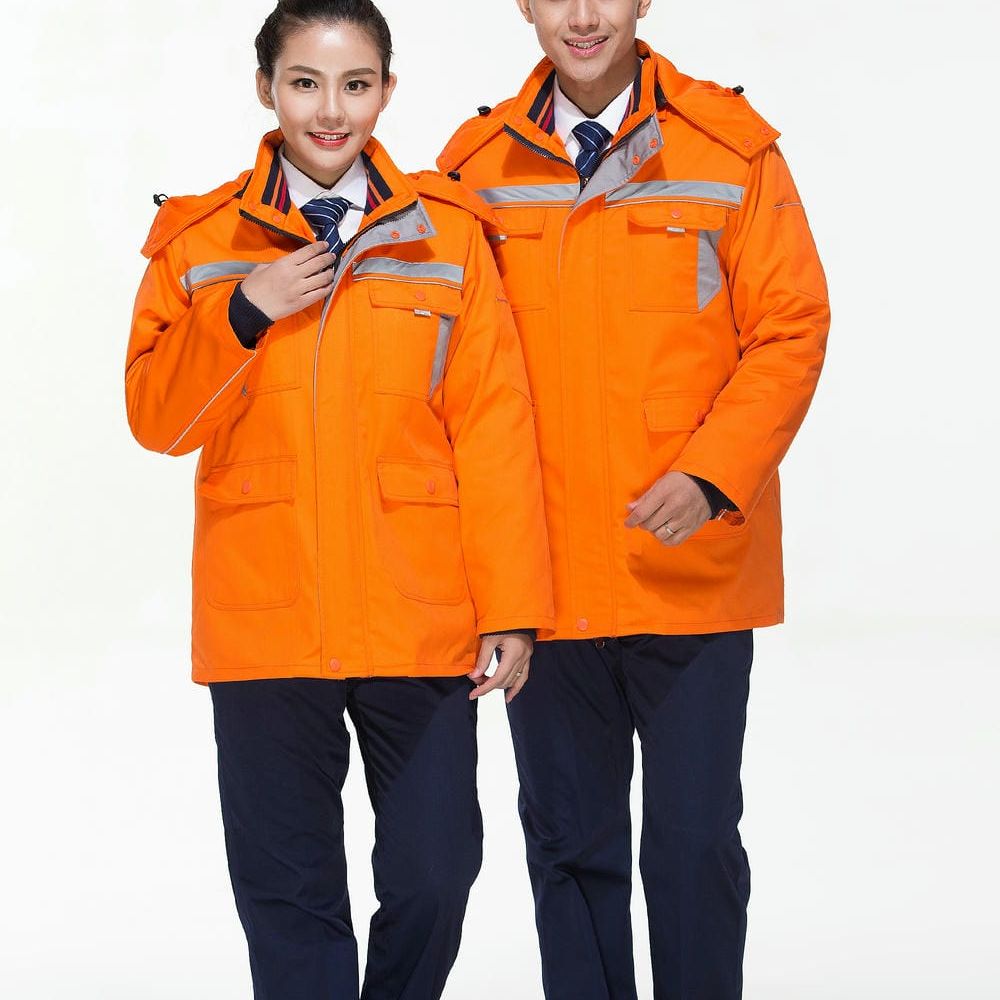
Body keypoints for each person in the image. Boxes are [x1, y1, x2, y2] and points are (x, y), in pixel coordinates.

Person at [125, 1, 554, 997]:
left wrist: (512, 607)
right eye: (306, 84)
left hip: (418, 611)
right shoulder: (201, 242)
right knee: (289, 894)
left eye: (355, 85)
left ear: (386, 91)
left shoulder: (446, 237)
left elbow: (493, 426)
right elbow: (157, 421)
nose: (331, 110)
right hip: (266, 617)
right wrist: (244, 310)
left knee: (437, 872)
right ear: (266, 89)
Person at [439, 2, 830, 998]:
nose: (582, 16)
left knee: (694, 846)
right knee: (570, 850)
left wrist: (712, 474)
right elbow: (446, 369)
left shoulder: (729, 148)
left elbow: (790, 325)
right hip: (546, 582)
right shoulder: (474, 169)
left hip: (689, 575)